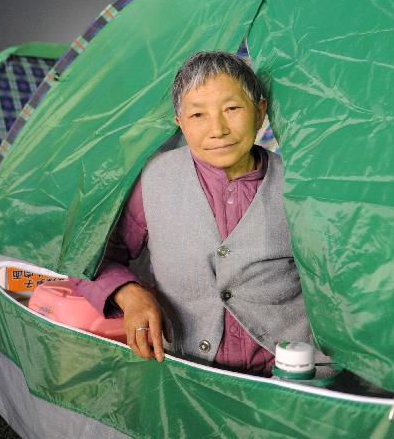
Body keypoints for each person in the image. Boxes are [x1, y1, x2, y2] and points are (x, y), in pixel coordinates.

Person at [72, 51, 310, 376]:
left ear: (260, 111)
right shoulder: (155, 179)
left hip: (291, 373)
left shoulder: (297, 182)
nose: (218, 129)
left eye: (232, 108)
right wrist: (130, 295)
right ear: (179, 123)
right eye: (198, 115)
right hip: (187, 373)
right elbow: (92, 258)